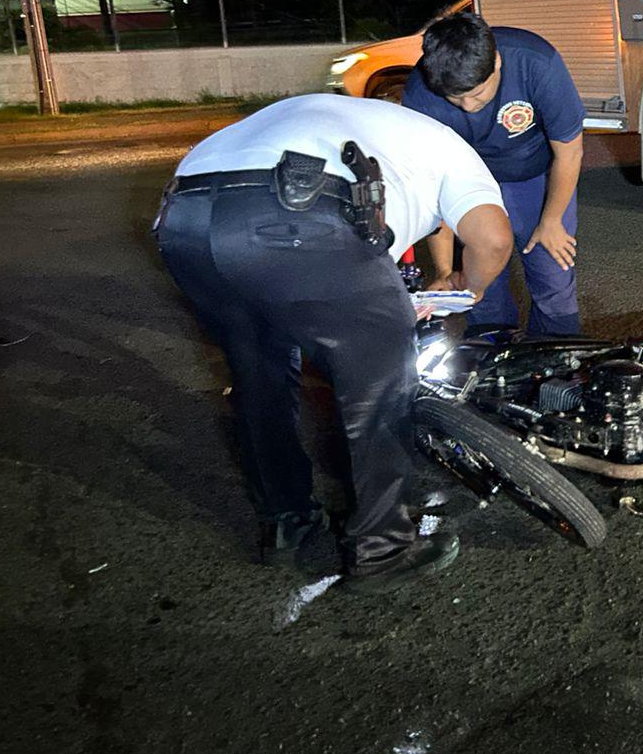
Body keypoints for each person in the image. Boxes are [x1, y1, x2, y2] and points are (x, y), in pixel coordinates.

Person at [154, 94, 513, 592]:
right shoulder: (456, 151)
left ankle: (287, 522)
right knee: (382, 375)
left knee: (260, 371)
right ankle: (383, 549)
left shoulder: (371, 126)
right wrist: (469, 290)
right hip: (295, 210)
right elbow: (492, 240)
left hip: (185, 219)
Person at [402, 11, 586, 338]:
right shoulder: (421, 94)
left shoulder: (536, 63)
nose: (468, 106)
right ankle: (491, 373)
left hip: (536, 178)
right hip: (469, 183)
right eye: (455, 98)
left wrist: (552, 220)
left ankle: (558, 373)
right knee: (479, 288)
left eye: (477, 94)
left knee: (553, 281)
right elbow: (435, 185)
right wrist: (446, 270)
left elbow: (569, 151)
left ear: (497, 62)